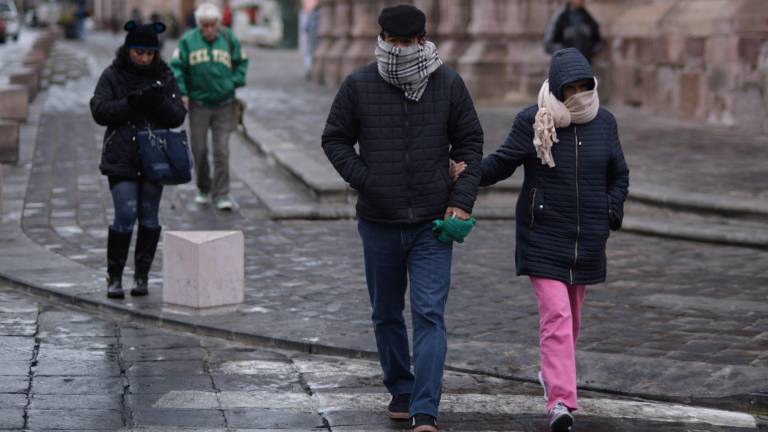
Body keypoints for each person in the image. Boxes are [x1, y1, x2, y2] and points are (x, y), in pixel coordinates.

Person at [321, 5, 483, 431]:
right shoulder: (359, 84)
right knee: (386, 313)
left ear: (422, 41)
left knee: (429, 314)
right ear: (383, 40)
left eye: (409, 43)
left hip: (433, 223)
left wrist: (462, 200)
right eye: (394, 42)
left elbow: (470, 143)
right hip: (379, 220)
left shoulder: (447, 82)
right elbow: (334, 138)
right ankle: (402, 389)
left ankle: (425, 408)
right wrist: (367, 179)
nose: (401, 50)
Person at [472, 48, 629, 432]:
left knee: (570, 322)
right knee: (556, 315)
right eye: (569, 88)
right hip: (542, 236)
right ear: (557, 89)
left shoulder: (604, 123)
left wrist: (609, 211)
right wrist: (463, 175)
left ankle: (551, 373)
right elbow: (502, 162)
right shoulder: (534, 120)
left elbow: (619, 175)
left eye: (583, 86)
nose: (577, 94)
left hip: (587, 239)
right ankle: (560, 400)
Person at [90, 21, 187, 299]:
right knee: (125, 213)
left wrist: (158, 102)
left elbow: (178, 115)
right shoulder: (113, 75)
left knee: (149, 216)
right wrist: (130, 103)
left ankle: (142, 275)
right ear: (128, 49)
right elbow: (99, 110)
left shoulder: (164, 75)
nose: (144, 58)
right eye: (139, 52)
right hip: (122, 155)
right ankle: (115, 277)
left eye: (149, 53)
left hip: (155, 157)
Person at [170, 2, 249, 211]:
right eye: (205, 25)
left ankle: (222, 194)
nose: (209, 30)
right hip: (199, 104)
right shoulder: (188, 41)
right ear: (199, 25)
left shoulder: (229, 38)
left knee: (221, 151)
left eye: (212, 25)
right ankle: (204, 187)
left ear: (218, 23)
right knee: (200, 149)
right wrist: (183, 92)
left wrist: (232, 83)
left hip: (225, 104)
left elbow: (242, 62)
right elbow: (177, 68)